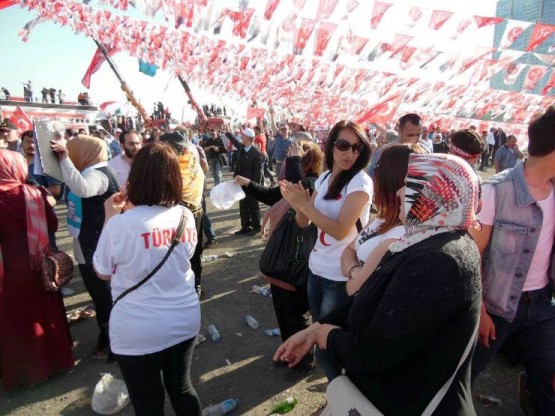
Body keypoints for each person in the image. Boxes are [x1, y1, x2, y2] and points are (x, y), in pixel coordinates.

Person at [275, 153, 482, 415]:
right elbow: (372, 297)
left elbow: (377, 349)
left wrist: (325, 336)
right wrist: (316, 328)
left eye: (409, 184)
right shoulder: (428, 240)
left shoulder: (440, 260)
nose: (399, 191)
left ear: (433, 196)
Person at [94, 143, 201, 416]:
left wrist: (109, 215)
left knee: (148, 401)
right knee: (182, 388)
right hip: (183, 318)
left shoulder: (120, 224)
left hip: (136, 329)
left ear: (135, 177)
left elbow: (102, 271)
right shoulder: (185, 215)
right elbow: (187, 254)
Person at [470, 107, 555, 415]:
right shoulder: (497, 190)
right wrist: (478, 310)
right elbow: (471, 255)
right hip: (495, 308)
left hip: (543, 306)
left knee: (547, 385)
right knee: (464, 380)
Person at [279, 120, 373, 381]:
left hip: (340, 275)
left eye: (356, 148)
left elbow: (341, 229)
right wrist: (297, 205)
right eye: (343, 145)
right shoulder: (324, 178)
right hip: (316, 268)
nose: (349, 153)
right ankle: (338, 390)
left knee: (328, 344)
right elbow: (304, 223)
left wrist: (305, 206)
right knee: (317, 333)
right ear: (331, 145)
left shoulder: (360, 183)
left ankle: (342, 393)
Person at [235, 140, 325, 379]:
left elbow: (299, 187)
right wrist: (248, 184)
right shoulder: (292, 185)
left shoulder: (314, 184)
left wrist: (295, 158)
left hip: (298, 263)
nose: (287, 160)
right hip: (280, 262)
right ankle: (289, 351)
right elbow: (271, 195)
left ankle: (304, 361)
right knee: (283, 312)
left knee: (297, 315)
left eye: (294, 158)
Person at [0, 150, 73, 390]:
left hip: (8, 268)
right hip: (38, 263)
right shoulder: (32, 193)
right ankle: (56, 362)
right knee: (44, 314)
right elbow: (52, 224)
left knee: (17, 319)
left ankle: (26, 372)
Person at [51, 135, 119, 359]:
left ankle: (110, 343)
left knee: (102, 296)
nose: (70, 154)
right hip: (91, 242)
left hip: (97, 245)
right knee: (101, 295)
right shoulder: (95, 170)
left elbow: (82, 189)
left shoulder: (96, 174)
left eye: (72, 150)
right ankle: (109, 338)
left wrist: (64, 159)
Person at [340, 144, 424, 296]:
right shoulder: (383, 216)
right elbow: (348, 250)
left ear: (389, 177)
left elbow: (353, 289)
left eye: (377, 167)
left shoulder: (400, 234)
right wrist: (355, 270)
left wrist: (353, 273)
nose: (373, 173)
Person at [160, 130, 205, 295]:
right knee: (191, 252)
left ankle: (193, 286)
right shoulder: (189, 155)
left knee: (186, 253)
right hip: (193, 210)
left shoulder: (180, 161)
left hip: (182, 214)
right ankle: (193, 285)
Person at [21, 130, 63, 250]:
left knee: (49, 250)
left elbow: (56, 190)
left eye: (35, 142)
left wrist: (28, 194)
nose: (31, 145)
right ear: (21, 144)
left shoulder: (47, 165)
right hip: (22, 214)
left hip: (43, 213)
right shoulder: (17, 162)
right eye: (28, 142)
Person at [226, 126, 264, 235]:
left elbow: (259, 173)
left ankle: (257, 227)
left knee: (253, 206)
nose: (241, 137)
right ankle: (245, 226)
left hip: (250, 184)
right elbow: (234, 141)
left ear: (247, 138)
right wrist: (228, 132)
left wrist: (255, 187)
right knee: (243, 205)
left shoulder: (256, 153)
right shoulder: (243, 148)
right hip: (241, 183)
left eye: (243, 136)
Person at [367, 113, 424, 178]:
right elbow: (371, 177)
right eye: (410, 135)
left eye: (418, 135)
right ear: (400, 131)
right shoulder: (385, 151)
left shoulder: (424, 151)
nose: (414, 139)